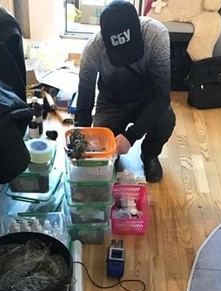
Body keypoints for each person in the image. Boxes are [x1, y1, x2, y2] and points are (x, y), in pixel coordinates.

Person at [75, 0, 176, 183]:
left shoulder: (156, 35)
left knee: (165, 120)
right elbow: (85, 100)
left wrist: (131, 136)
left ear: (138, 28)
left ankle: (150, 154)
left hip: (147, 98)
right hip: (111, 101)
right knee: (102, 150)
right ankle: (111, 157)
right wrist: (81, 141)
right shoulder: (93, 49)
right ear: (104, 39)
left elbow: (162, 96)